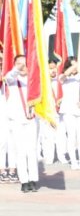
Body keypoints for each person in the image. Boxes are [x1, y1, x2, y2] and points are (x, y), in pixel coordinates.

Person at [4, 55, 40, 192]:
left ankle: (33, 179)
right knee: (20, 151)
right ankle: (24, 180)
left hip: (31, 119)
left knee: (32, 150)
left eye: (25, 63)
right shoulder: (13, 79)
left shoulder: (33, 80)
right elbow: (8, 77)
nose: (23, 66)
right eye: (19, 64)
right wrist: (17, 68)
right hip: (17, 120)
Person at [57, 56, 80, 170]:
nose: (75, 68)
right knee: (71, 137)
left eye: (77, 65)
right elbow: (65, 74)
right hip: (68, 110)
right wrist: (75, 65)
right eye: (73, 65)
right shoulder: (63, 77)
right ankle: (74, 161)